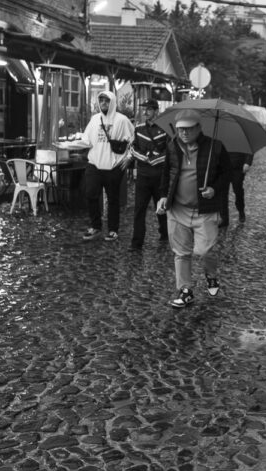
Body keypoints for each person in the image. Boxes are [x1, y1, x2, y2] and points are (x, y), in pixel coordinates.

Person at [156, 109, 231, 309]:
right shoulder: (172, 146)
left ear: (199, 128)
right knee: (180, 252)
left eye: (189, 128)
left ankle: (211, 274)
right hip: (178, 208)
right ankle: (186, 291)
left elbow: (227, 174)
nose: (184, 133)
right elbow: (166, 173)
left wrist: (214, 188)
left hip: (204, 210)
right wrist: (163, 196)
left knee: (205, 250)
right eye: (181, 129)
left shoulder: (215, 147)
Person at [71, 90, 134, 242]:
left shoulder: (122, 120)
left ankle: (113, 230)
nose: (103, 103)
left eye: (106, 100)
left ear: (112, 102)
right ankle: (95, 227)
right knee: (90, 194)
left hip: (114, 166)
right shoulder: (94, 119)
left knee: (113, 199)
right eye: (101, 100)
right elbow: (86, 140)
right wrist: (68, 145)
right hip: (94, 164)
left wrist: (130, 157)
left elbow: (133, 139)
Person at [126, 99, 168, 250]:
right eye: (144, 109)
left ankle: (165, 233)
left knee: (161, 208)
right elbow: (133, 148)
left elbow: (169, 151)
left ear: (156, 111)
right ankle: (136, 242)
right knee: (139, 210)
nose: (145, 112)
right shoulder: (139, 128)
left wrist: (155, 159)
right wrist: (145, 158)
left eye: (149, 109)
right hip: (143, 175)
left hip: (159, 174)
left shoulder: (166, 128)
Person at [219, 151, 253, 227]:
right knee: (223, 194)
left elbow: (249, 149)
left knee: (238, 190)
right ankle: (224, 219)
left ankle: (241, 210)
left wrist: (247, 162)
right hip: (223, 167)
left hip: (238, 168)